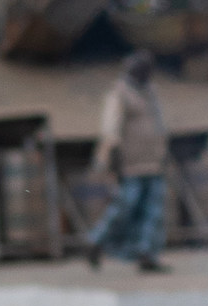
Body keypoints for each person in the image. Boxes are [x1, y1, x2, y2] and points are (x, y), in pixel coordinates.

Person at [90, 52, 170, 273]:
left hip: (153, 162)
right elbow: (111, 128)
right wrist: (113, 158)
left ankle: (146, 254)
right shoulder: (119, 94)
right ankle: (97, 242)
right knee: (125, 207)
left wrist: (163, 151)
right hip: (130, 164)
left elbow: (158, 123)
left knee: (153, 212)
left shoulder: (151, 91)